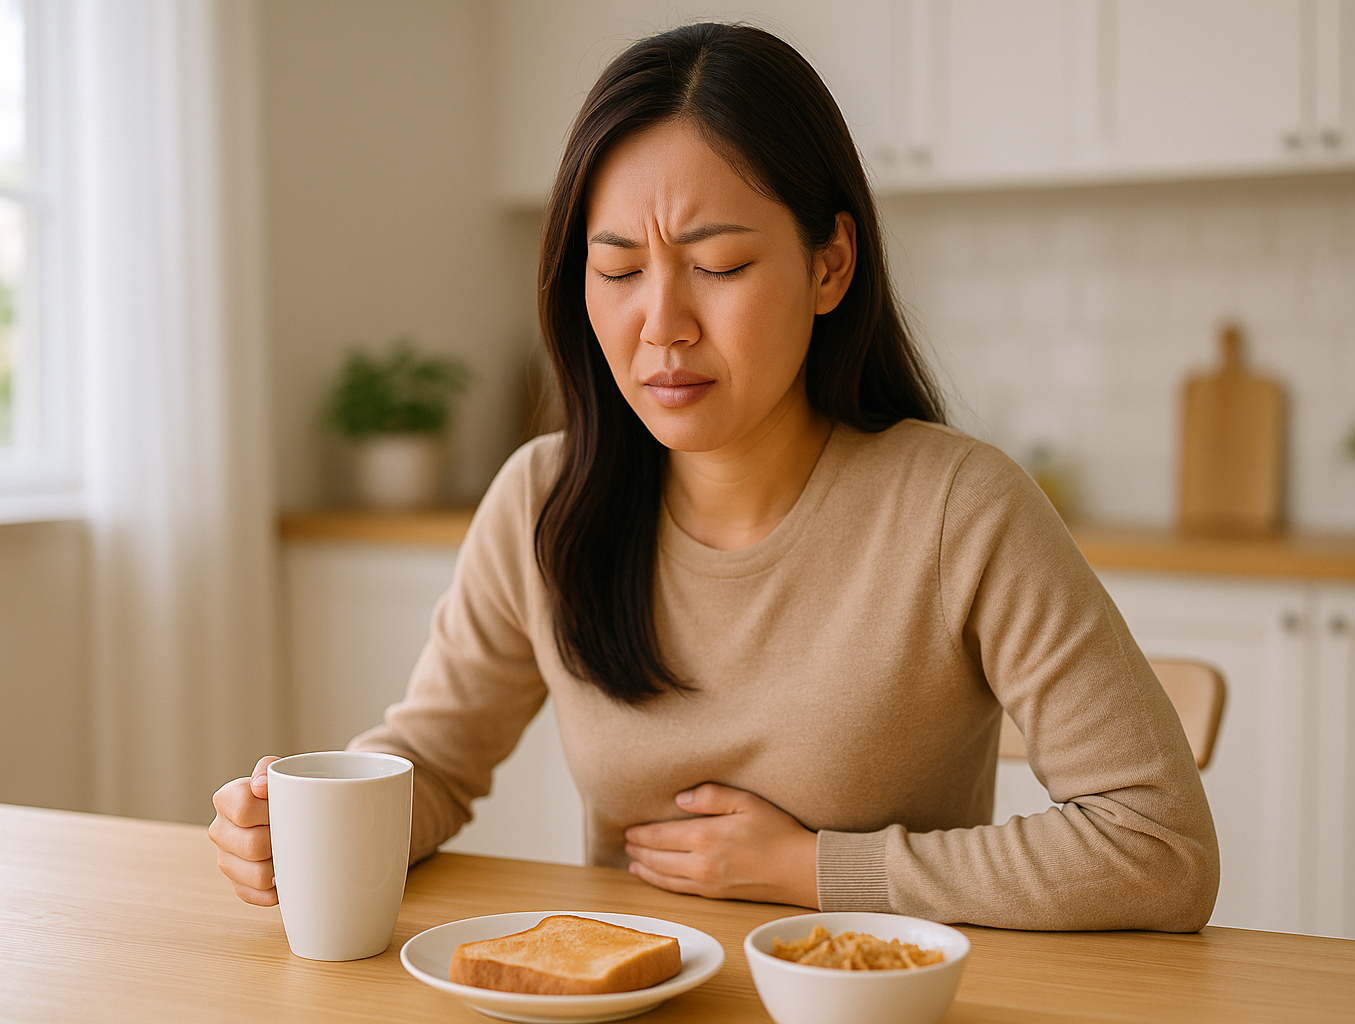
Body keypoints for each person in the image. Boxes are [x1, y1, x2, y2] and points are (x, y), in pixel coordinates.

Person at [210, 22, 1218, 931]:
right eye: (617, 271)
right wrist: (300, 827)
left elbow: (1159, 846)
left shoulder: (960, 508)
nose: (662, 325)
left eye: (720, 265)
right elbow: (430, 765)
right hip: (634, 997)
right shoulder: (541, 502)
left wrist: (821, 868)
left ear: (831, 264)